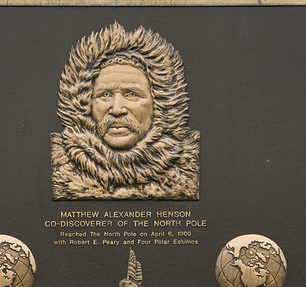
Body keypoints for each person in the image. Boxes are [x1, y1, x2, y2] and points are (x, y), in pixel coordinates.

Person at [51, 22, 200, 200]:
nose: (116, 109)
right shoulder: (62, 168)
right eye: (105, 95)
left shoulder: (185, 173)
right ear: (84, 104)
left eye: (131, 94)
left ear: (160, 105)